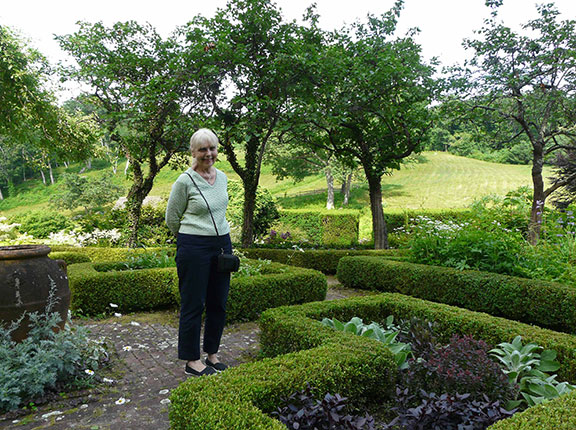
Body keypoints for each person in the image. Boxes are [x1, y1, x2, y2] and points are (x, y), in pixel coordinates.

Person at [165, 128, 232, 377]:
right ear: (193, 152)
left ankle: (212, 354)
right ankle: (192, 360)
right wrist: (190, 238)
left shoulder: (223, 177)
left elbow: (220, 210)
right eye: (202, 149)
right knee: (193, 304)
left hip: (222, 245)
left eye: (212, 148)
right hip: (193, 246)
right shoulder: (185, 181)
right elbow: (172, 218)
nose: (208, 153)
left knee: (219, 303)